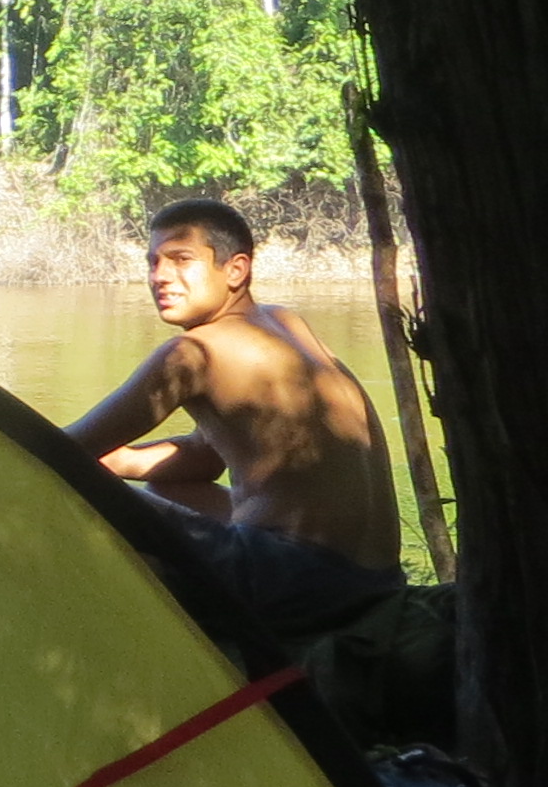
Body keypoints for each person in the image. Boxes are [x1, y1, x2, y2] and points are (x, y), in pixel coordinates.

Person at [63, 196, 407, 639]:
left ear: (236, 270)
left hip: (299, 580)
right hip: (375, 578)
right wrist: (115, 460)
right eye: (153, 262)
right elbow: (206, 459)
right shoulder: (286, 322)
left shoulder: (192, 354)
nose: (159, 276)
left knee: (89, 495)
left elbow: (58, 452)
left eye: (180, 259)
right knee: (166, 487)